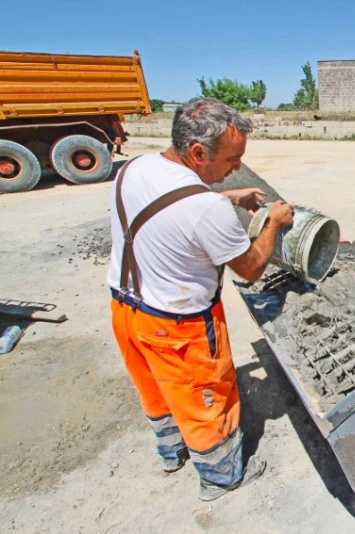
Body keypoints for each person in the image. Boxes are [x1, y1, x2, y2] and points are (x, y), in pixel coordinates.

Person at [107, 97, 294, 501]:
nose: (236, 169)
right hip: (179, 328)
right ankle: (221, 476)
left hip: (126, 309)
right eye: (231, 159)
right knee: (209, 401)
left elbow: (172, 206)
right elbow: (251, 267)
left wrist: (229, 196)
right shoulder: (206, 209)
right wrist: (274, 223)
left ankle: (172, 452)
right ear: (197, 152)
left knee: (157, 390)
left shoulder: (135, 167)